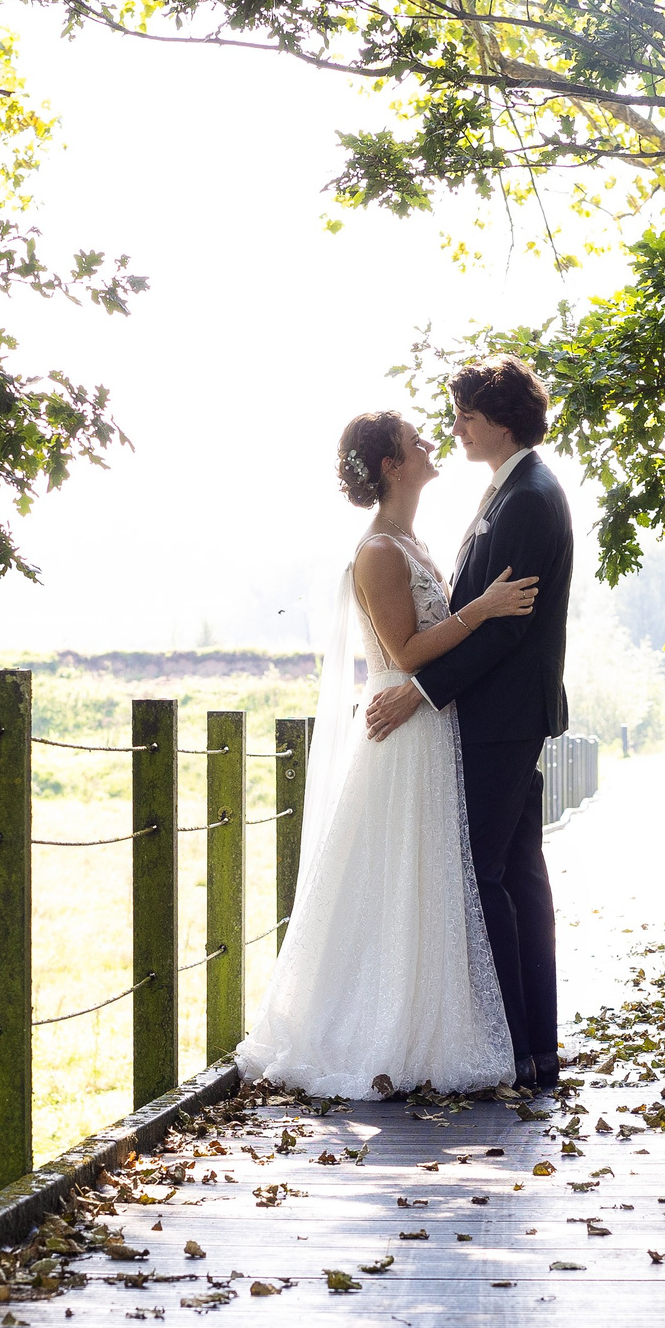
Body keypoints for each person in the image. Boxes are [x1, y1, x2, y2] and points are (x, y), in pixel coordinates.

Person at [233, 410, 540, 1098]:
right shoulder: (377, 551)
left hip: (432, 723)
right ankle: (373, 1028)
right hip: (402, 729)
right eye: (414, 441)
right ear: (392, 467)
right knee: (399, 874)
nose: (431, 443)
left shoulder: (413, 540)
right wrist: (483, 608)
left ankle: (425, 1018)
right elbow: (404, 653)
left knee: (429, 878)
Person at [364, 356, 572, 1090]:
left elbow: (503, 629)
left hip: (501, 716)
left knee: (488, 876)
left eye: (466, 417)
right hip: (498, 714)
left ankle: (515, 1048)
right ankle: (529, 1050)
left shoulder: (527, 498)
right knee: (514, 872)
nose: (456, 429)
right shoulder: (511, 489)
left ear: (500, 420)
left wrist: (419, 690)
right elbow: (475, 613)